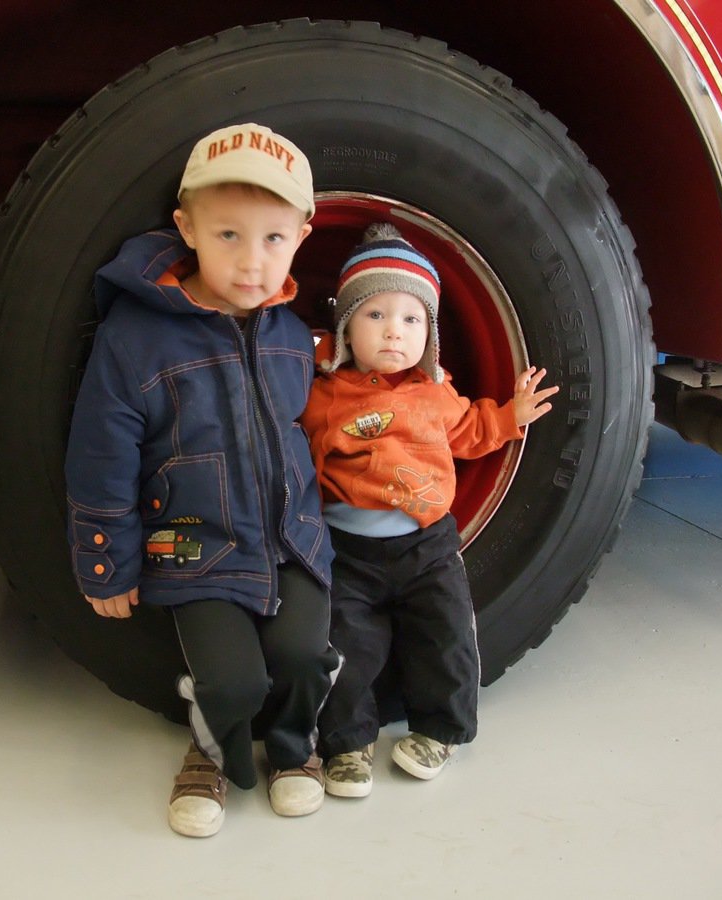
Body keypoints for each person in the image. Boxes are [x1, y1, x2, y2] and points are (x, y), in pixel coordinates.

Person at [64, 123, 339, 837]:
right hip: (198, 549)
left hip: (291, 539)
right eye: (228, 236)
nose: (253, 264)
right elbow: (101, 455)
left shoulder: (289, 331)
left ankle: (292, 750)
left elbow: (322, 419)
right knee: (233, 681)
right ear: (186, 228)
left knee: (307, 657)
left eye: (274, 240)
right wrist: (105, 561)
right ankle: (211, 750)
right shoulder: (136, 337)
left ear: (303, 236)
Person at [300, 223, 559, 797]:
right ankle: (346, 744)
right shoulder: (325, 394)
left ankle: (439, 730)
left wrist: (512, 414)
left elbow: (471, 430)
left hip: (427, 544)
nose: (395, 331)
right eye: (375, 315)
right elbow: (292, 443)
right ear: (345, 326)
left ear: (430, 334)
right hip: (349, 547)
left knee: (445, 632)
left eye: (412, 319)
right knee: (345, 641)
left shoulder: (435, 391)